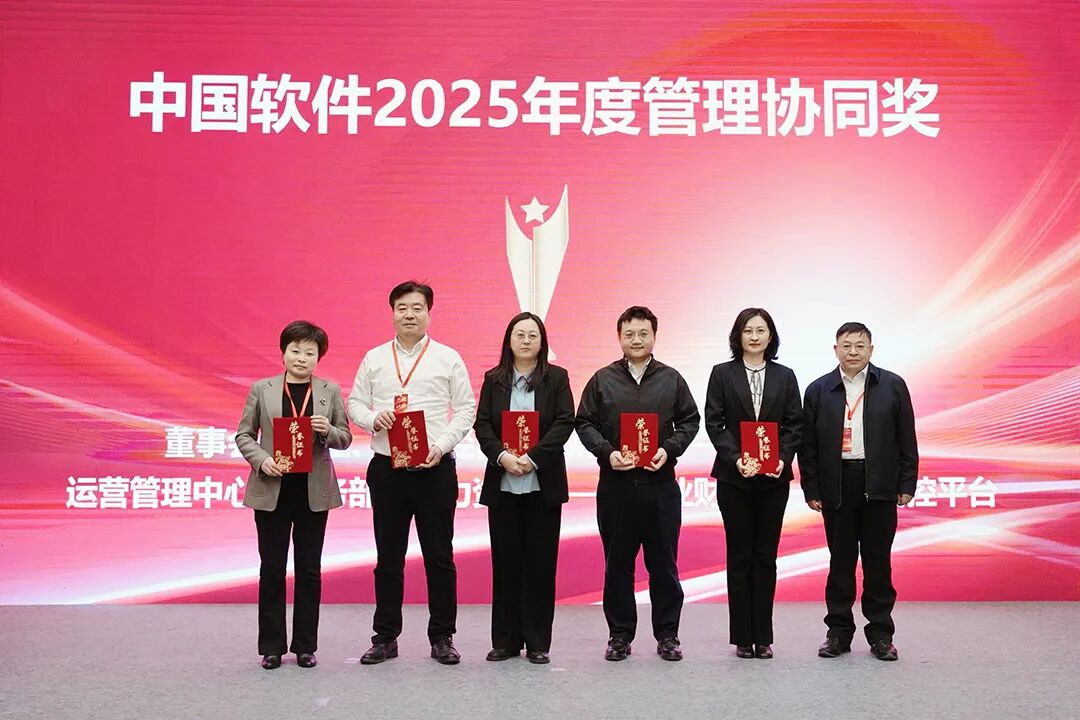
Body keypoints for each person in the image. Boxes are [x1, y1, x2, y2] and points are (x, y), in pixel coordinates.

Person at [347, 281, 476, 665]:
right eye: (402, 307)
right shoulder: (374, 358)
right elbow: (354, 403)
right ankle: (385, 637)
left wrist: (442, 445)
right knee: (388, 557)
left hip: (434, 468)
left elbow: (466, 408)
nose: (409, 314)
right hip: (388, 468)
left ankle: (442, 637)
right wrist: (373, 418)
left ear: (429, 314)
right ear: (392, 313)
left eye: (417, 308)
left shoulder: (447, 358)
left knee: (439, 556)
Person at [575, 306, 700, 662]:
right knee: (617, 566)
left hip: (660, 487)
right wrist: (607, 452)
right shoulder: (602, 379)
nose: (636, 340)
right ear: (619, 337)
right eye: (629, 334)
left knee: (664, 566)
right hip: (616, 488)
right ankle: (619, 636)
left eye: (643, 333)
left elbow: (690, 420)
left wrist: (668, 449)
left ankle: (668, 635)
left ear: (654, 336)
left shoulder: (671, 379)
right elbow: (584, 422)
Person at [236, 320, 352, 670]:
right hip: (272, 489)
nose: (302, 358)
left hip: (312, 492)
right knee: (272, 569)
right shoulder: (263, 389)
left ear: (319, 357)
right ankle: (272, 646)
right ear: (283, 353)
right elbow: (244, 435)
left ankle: (305, 646)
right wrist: (262, 460)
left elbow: (345, 437)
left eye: (310, 353)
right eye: (296, 350)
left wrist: (328, 430)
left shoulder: (329, 390)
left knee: (309, 570)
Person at [799, 322, 918, 661]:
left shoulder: (892, 385)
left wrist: (906, 483)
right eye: (847, 345)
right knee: (840, 563)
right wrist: (811, 487)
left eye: (860, 346)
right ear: (835, 349)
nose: (853, 352)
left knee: (878, 564)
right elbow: (808, 447)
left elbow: (906, 437)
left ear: (871, 350)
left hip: (879, 484)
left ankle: (881, 634)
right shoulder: (819, 390)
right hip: (837, 485)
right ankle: (838, 633)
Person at [473, 312, 575, 665]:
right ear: (509, 340)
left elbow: (565, 421)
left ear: (542, 342)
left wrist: (533, 458)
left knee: (540, 564)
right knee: (506, 563)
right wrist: (502, 456)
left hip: (541, 484)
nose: (527, 340)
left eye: (533, 335)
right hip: (503, 484)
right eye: (520, 334)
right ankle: (505, 640)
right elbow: (482, 425)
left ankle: (537, 641)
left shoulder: (557, 378)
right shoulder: (494, 379)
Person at [704, 308, 802, 659]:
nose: (755, 336)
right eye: (748, 330)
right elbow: (714, 423)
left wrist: (783, 458)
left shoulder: (785, 376)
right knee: (740, 556)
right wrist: (736, 458)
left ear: (771, 336)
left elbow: (795, 424)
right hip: (735, 479)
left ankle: (764, 636)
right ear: (738, 336)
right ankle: (742, 637)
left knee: (765, 557)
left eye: (761, 330)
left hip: (773, 480)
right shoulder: (722, 374)